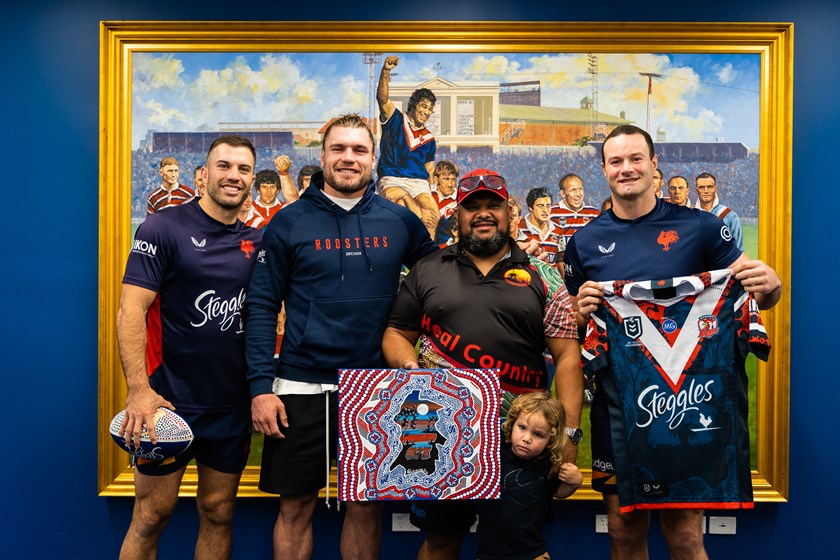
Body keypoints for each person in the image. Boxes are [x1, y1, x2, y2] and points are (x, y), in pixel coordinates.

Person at [563, 124, 782, 560]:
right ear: (604, 169)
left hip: (685, 402)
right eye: (616, 161)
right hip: (618, 406)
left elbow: (754, 292)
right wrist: (582, 310)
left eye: (635, 158)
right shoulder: (584, 242)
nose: (627, 169)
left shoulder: (700, 227)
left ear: (654, 163)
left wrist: (772, 286)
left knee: (684, 535)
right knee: (623, 532)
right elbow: (577, 322)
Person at [244, 113, 437, 560]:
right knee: (295, 507)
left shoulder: (399, 221)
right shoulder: (289, 222)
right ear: (323, 155)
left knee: (366, 508)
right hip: (299, 385)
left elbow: (443, 281)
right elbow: (261, 307)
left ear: (373, 159)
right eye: (339, 149)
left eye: (359, 150)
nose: (349, 158)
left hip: (374, 387)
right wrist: (260, 387)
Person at [382, 168, 583, 560]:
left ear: (509, 212)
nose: (483, 214)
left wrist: (570, 437)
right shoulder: (428, 268)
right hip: (443, 431)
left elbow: (568, 357)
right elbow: (396, 334)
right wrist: (412, 373)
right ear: (457, 215)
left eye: (493, 205)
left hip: (520, 441)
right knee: (441, 540)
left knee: (518, 545)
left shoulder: (543, 275)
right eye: (472, 207)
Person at [116, 135, 261, 560]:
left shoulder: (259, 242)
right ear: (204, 174)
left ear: (252, 179)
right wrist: (139, 391)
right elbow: (131, 310)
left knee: (218, 511)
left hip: (230, 405)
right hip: (167, 401)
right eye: (224, 166)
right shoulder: (162, 227)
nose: (233, 176)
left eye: (243, 169)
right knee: (151, 514)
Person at [475, 392, 583, 560]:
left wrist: (574, 482)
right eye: (522, 427)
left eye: (538, 435)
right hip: (489, 553)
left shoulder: (548, 465)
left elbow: (558, 493)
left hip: (533, 552)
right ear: (512, 424)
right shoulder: (492, 454)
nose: (526, 439)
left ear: (551, 440)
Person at [376, 55, 440, 239]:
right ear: (413, 105)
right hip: (392, 179)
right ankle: (399, 254)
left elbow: (429, 169)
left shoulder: (429, 138)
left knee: (433, 215)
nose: (426, 112)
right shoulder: (394, 118)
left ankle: (427, 253)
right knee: (402, 207)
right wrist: (386, 71)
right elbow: (382, 98)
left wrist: (431, 191)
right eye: (423, 106)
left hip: (418, 183)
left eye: (430, 109)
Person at [695, 171, 744, 251]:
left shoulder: (730, 216)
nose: (706, 191)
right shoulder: (690, 215)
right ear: (696, 190)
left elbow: (739, 249)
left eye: (709, 187)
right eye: (701, 187)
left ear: (715, 189)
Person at [519, 187, 565, 268]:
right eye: (540, 206)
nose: (545, 210)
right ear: (530, 208)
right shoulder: (519, 228)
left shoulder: (558, 230)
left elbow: (560, 260)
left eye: (548, 206)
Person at [551, 173, 601, 246]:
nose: (578, 194)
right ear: (563, 194)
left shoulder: (594, 214)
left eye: (580, 189)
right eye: (573, 190)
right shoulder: (551, 213)